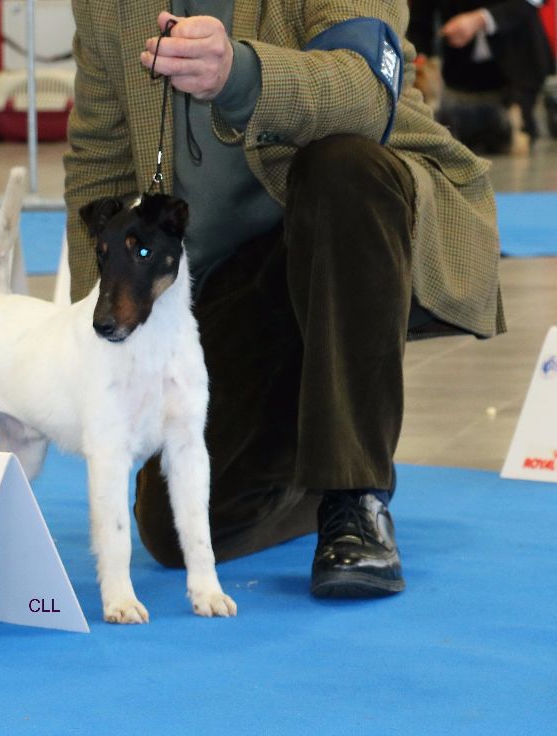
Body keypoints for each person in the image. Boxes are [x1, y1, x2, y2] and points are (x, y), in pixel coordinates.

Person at [63, 0, 505, 598]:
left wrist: (238, 74)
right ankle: (315, 463)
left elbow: (368, 89)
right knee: (175, 532)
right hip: (222, 281)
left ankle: (355, 496)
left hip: (349, 225)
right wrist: (98, 337)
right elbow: (100, 163)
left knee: (342, 169)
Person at [409, 0, 554, 149]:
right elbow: (419, 23)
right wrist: (420, 56)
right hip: (460, 81)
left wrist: (482, 18)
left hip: (520, 71)